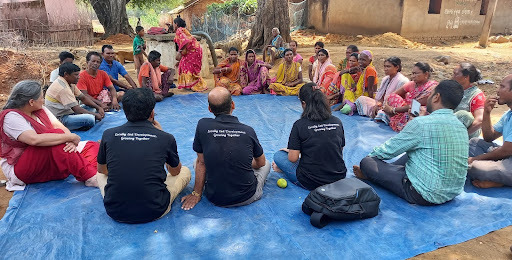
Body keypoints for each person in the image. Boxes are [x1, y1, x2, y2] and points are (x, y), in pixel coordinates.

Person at [354, 80, 468, 205]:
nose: (427, 97)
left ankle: (375, 174)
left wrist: (371, 161)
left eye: (430, 94)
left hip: (423, 194)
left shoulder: (421, 124)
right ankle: (389, 171)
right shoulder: (460, 126)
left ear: (436, 97)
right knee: (414, 151)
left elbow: (386, 151)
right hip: (452, 192)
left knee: (367, 162)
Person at [97, 88, 191, 223]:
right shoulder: (165, 138)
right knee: (185, 171)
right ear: (152, 113)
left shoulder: (108, 134)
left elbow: (102, 170)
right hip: (155, 210)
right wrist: (161, 134)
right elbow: (175, 172)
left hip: (115, 210)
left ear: (125, 111)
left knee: (100, 174)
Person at [181, 87, 270, 210]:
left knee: (198, 161)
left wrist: (196, 193)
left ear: (210, 109)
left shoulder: (203, 125)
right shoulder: (248, 131)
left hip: (214, 196)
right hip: (246, 196)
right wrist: (242, 162)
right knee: (267, 164)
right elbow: (260, 163)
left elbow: (201, 163)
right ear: (233, 105)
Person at [0, 80, 99, 191]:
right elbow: (34, 140)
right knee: (57, 140)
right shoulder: (11, 117)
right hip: (23, 168)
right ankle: (89, 176)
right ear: (31, 102)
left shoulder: (41, 109)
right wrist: (70, 137)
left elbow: (59, 126)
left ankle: (80, 165)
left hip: (48, 157)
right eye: (42, 97)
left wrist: (70, 141)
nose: (44, 100)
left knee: (92, 146)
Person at [273, 83, 346, 190]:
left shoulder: (299, 124)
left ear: (303, 103)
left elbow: (293, 158)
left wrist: (291, 151)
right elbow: (339, 149)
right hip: (338, 178)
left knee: (279, 155)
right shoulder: (337, 121)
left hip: (311, 181)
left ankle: (286, 170)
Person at [467, 74, 512, 188]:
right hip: (507, 155)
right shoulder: (508, 114)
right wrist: (486, 113)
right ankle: (499, 176)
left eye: (502, 87)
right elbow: (488, 137)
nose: (497, 91)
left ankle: (501, 182)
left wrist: (474, 159)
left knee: (476, 168)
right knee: (473, 143)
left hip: (508, 155)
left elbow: (506, 150)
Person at [45, 63, 105, 130]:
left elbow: (83, 98)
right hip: (60, 118)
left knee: (93, 108)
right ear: (66, 75)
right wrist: (95, 115)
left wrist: (98, 107)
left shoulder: (69, 82)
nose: (78, 77)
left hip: (68, 111)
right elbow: (76, 109)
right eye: (76, 75)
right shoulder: (63, 88)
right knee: (90, 119)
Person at [382, 62, 437, 132]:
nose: (413, 76)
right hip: (405, 110)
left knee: (418, 110)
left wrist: (393, 110)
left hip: (419, 113)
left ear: (426, 74)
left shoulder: (431, 87)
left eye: (416, 73)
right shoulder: (411, 84)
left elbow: (416, 105)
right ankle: (396, 117)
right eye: (412, 73)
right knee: (393, 97)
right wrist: (387, 106)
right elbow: (393, 94)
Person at [337, 50, 378, 115]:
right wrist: (352, 69)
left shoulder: (370, 70)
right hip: (360, 95)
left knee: (346, 110)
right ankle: (347, 104)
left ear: (370, 61)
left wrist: (370, 105)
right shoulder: (362, 68)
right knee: (348, 90)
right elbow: (341, 73)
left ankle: (348, 105)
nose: (360, 62)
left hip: (366, 96)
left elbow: (371, 90)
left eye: (363, 60)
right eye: (359, 59)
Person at [173, 17, 208, 92]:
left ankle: (194, 84)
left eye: (174, 24)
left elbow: (185, 41)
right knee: (184, 64)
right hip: (195, 49)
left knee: (188, 66)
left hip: (193, 51)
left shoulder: (179, 30)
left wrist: (179, 51)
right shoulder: (183, 30)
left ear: (176, 24)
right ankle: (189, 84)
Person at [452, 63, 486, 139]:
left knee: (464, 115)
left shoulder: (476, 95)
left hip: (466, 133)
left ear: (466, 77)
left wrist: (464, 135)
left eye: (456, 74)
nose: (452, 77)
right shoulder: (453, 90)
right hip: (450, 128)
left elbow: (480, 120)